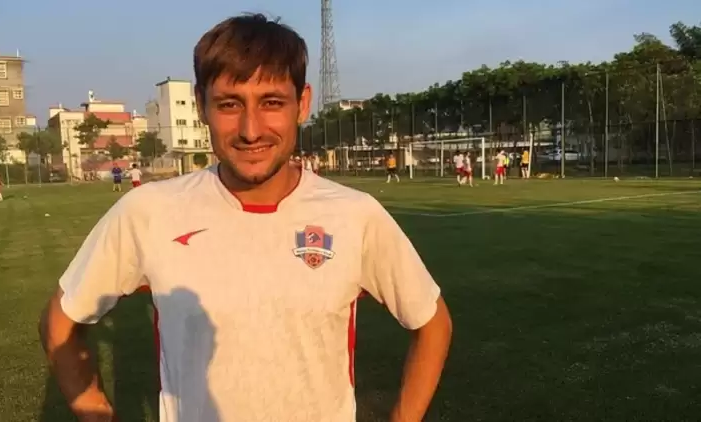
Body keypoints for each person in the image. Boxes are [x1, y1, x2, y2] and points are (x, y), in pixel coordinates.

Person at [38, 13, 452, 422]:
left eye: (272, 102)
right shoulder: (149, 211)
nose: (251, 130)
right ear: (201, 105)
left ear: (302, 103)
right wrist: (96, 413)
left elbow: (433, 324)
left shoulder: (355, 214)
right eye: (229, 104)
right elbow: (60, 323)